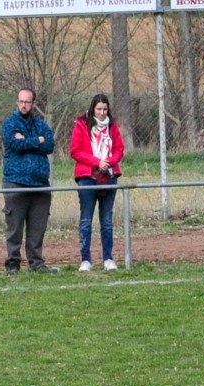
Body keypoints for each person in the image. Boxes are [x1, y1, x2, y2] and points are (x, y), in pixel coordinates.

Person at [1, 87, 58, 275]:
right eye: (21, 101)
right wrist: (37, 141)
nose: (24, 105)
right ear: (17, 102)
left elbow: (49, 145)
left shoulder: (41, 124)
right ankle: (13, 263)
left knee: (38, 226)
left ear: (33, 103)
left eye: (27, 102)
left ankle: (36, 262)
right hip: (16, 182)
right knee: (15, 226)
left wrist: (28, 140)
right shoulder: (10, 124)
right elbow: (15, 144)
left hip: (40, 184)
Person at [70, 93, 124, 273]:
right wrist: (96, 162)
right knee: (86, 219)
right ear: (93, 109)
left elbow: (119, 149)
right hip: (87, 177)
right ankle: (85, 259)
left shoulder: (112, 126)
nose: (102, 113)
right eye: (99, 109)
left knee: (107, 220)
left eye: (105, 109)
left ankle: (108, 258)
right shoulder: (81, 125)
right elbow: (75, 151)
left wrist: (109, 161)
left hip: (109, 176)